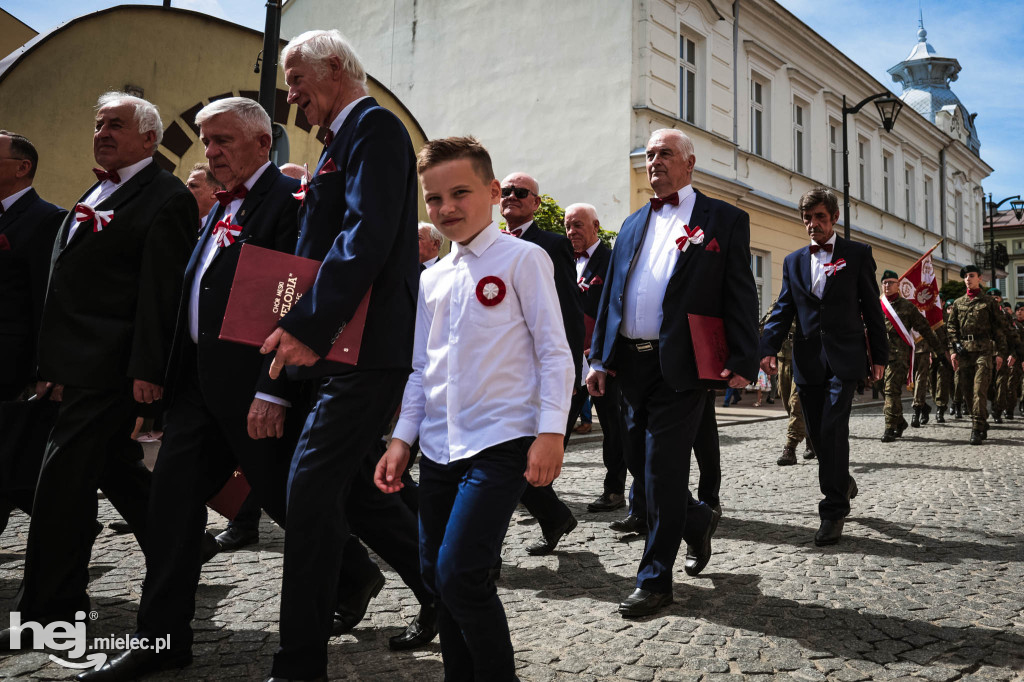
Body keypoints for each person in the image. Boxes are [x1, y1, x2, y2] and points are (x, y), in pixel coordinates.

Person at [0, 92, 198, 652]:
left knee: (59, 490)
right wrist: (51, 365)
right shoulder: (100, 188)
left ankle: (48, 617)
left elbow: (161, 294)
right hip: (78, 368)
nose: (103, 133)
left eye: (117, 125)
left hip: (111, 373)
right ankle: (182, 561)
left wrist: (148, 374)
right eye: (98, 124)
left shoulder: (165, 196)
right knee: (130, 486)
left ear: (149, 139)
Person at [375, 135, 573, 682]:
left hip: (502, 440)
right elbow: (422, 368)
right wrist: (401, 440)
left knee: (462, 573)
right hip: (438, 445)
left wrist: (551, 431)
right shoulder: (432, 278)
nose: (447, 209)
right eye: (434, 200)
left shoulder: (523, 259)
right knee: (438, 578)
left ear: (491, 190)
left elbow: (555, 351)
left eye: (460, 192)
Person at [259, 30, 422, 681]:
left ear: (333, 69)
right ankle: (446, 592)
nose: (291, 95)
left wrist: (307, 323)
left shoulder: (374, 128)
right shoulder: (339, 142)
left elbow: (365, 237)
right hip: (337, 351)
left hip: (366, 350)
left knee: (310, 493)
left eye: (296, 79)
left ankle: (299, 664)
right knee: (349, 493)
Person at [588, 128, 758, 617]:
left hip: (682, 363)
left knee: (662, 467)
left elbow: (739, 292)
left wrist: (743, 358)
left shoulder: (723, 219)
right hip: (630, 363)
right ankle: (697, 518)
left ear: (689, 163)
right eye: (649, 155)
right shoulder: (631, 223)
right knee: (640, 466)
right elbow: (611, 298)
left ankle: (654, 578)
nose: (654, 161)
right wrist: (600, 358)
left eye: (664, 153)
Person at [760, 186, 887, 547]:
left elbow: (871, 309)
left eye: (820, 217)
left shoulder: (857, 254)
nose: (813, 224)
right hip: (807, 359)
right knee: (816, 434)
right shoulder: (794, 261)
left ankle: (833, 511)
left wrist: (879, 356)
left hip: (845, 359)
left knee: (833, 427)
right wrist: (767, 347)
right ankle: (842, 481)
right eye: (807, 218)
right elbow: (784, 307)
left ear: (833, 219)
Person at [499, 171, 583, 555]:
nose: (511, 196)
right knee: (507, 458)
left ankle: (484, 555)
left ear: (535, 202)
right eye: (505, 191)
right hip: (498, 371)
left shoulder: (551, 244)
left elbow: (568, 311)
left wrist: (569, 373)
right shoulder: (489, 244)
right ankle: (554, 516)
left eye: (521, 192)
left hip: (535, 372)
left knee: (512, 458)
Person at [563, 202, 629, 513]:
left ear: (596, 227)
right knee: (558, 425)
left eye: (577, 225)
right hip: (567, 360)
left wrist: (603, 354)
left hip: (603, 360)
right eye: (567, 226)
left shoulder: (612, 260)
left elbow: (618, 309)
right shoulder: (561, 259)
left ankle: (614, 490)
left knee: (612, 427)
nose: (571, 231)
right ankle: (541, 493)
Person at [878, 270, 943, 442]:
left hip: (898, 356)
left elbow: (925, 328)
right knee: (881, 389)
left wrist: (939, 350)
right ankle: (899, 421)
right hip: (879, 357)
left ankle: (890, 427)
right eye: (884, 283)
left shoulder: (907, 307)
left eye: (891, 282)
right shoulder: (877, 305)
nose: (887, 286)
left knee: (891, 389)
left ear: (898, 285)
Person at [946, 266, 1006, 445]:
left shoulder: (988, 302)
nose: (967, 279)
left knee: (979, 390)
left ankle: (977, 427)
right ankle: (980, 420)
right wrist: (954, 348)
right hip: (964, 351)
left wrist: (1000, 353)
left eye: (971, 276)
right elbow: (951, 327)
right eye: (965, 276)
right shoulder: (958, 303)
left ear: (979, 278)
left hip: (983, 351)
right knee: (967, 392)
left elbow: (999, 329)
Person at [184, 161, 223, 228]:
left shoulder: (224, 226)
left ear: (215, 192)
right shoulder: (182, 223)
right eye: (186, 186)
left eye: (193, 186)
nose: (185, 190)